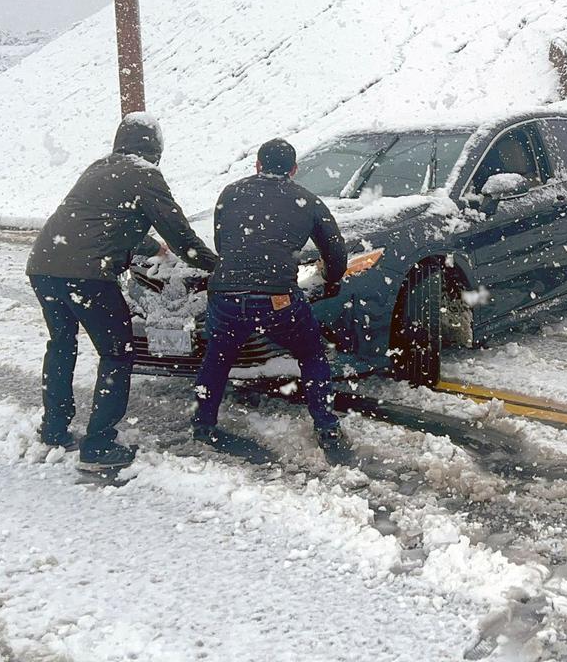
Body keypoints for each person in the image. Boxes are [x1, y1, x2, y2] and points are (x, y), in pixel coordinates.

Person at [26, 112, 218, 470]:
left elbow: (107, 222)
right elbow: (181, 235)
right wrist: (218, 267)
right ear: (155, 148)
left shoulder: (99, 168)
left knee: (62, 344)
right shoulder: (145, 175)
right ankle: (98, 446)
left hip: (44, 265)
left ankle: (54, 429)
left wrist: (152, 249)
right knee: (117, 352)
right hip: (88, 275)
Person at [193, 138, 349, 457]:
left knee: (218, 356)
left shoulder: (230, 192)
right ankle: (325, 424)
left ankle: (203, 422)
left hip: (225, 293)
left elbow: (224, 244)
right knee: (311, 353)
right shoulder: (306, 200)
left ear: (258, 165)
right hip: (277, 297)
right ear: (294, 169)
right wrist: (331, 279)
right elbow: (336, 253)